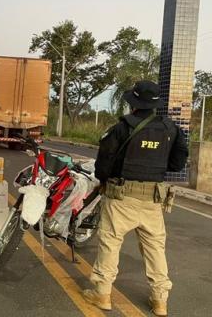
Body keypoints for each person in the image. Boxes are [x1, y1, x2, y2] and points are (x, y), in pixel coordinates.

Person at [82, 80, 188, 316]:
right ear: (154, 105)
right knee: (155, 249)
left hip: (120, 197)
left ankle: (102, 294)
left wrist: (103, 181)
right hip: (153, 200)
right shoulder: (172, 129)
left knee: (110, 243)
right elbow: (178, 163)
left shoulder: (121, 127)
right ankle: (160, 301)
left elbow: (104, 163)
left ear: (133, 104)